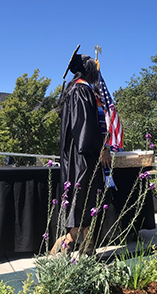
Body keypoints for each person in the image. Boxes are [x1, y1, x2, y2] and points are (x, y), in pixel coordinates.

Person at [51, 53, 111, 255]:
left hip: (78, 154)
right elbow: (85, 127)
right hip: (84, 156)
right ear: (88, 69)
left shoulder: (76, 90)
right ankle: (66, 243)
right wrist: (102, 148)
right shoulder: (81, 91)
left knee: (87, 200)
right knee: (85, 198)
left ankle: (88, 246)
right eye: (95, 67)